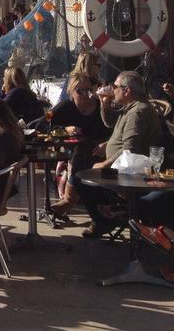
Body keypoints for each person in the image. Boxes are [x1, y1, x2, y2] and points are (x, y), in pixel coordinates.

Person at [73, 71, 164, 237]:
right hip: (122, 164)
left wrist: (105, 164)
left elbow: (130, 149)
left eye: (115, 86)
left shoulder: (138, 112)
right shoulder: (130, 108)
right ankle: (110, 214)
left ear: (127, 91)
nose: (112, 89)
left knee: (81, 175)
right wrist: (105, 105)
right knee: (80, 159)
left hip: (131, 171)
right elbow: (111, 124)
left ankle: (110, 217)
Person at [46, 72, 111, 220]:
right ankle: (70, 200)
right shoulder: (64, 107)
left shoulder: (101, 106)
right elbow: (43, 122)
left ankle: (69, 201)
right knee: (81, 152)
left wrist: (107, 144)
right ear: (71, 92)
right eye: (79, 91)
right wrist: (65, 129)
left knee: (82, 153)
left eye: (88, 90)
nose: (85, 95)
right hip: (77, 152)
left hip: (102, 149)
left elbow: (116, 130)